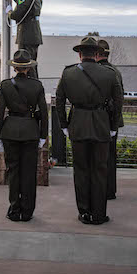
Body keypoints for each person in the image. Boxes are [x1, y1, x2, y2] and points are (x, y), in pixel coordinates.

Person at [55, 36, 123, 225]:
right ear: (96, 53)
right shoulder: (109, 74)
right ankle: (99, 214)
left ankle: (84, 212)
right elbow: (119, 102)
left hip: (77, 124)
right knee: (100, 170)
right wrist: (113, 126)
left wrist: (63, 124)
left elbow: (59, 100)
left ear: (79, 54)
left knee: (81, 170)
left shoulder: (68, 73)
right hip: (101, 125)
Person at [0, 49, 48, 222]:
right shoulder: (37, 85)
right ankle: (27, 212)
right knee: (29, 173)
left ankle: (14, 209)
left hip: (10, 131)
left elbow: (0, 112)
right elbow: (44, 113)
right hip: (30, 131)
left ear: (15, 67)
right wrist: (43, 135)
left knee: (13, 172)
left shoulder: (5, 85)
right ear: (28, 68)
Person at [95, 39, 125, 200]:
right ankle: (110, 190)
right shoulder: (115, 71)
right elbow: (120, 97)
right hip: (113, 120)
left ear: (96, 54)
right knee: (110, 157)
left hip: (100, 119)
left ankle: (100, 190)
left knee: (98, 158)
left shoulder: (98, 72)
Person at [7, 0, 44, 78]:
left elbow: (15, 15)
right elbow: (27, 6)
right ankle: (34, 86)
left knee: (25, 65)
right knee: (32, 64)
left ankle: (31, 88)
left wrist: (9, 11)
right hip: (34, 34)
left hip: (26, 35)